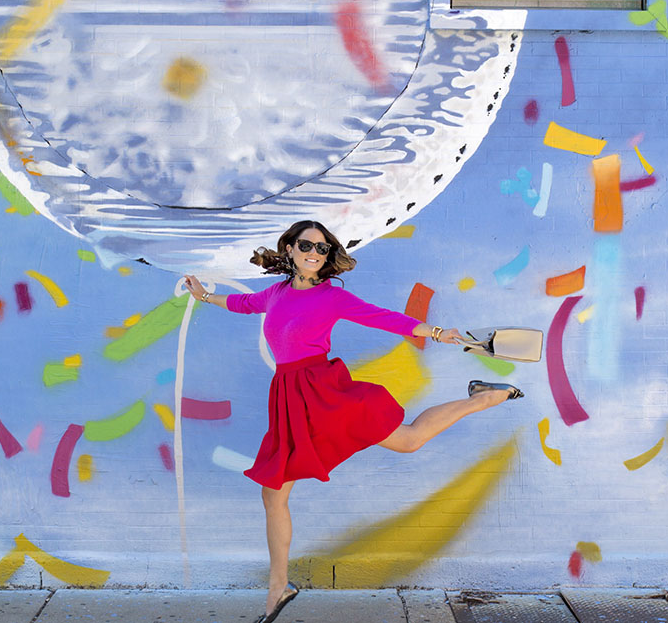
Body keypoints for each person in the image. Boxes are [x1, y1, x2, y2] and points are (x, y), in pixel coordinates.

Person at [184, 220, 521, 623]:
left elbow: (382, 318)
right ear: (290, 248)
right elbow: (242, 304)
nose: (314, 253)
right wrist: (205, 297)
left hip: (323, 393)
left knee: (409, 440)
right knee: (273, 494)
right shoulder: (274, 294)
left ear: (328, 257)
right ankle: (279, 587)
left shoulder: (331, 297)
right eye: (306, 245)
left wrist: (435, 332)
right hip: (290, 399)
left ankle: (483, 398)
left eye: (322, 249)